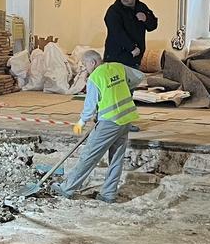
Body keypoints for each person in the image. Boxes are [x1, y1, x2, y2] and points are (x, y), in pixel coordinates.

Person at [53, 59, 145, 203]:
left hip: (109, 121)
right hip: (126, 118)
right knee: (116, 158)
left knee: (89, 155)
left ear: (93, 62)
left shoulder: (95, 77)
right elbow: (139, 76)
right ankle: (108, 193)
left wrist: (81, 123)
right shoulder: (118, 67)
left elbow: (90, 107)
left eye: (84, 64)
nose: (84, 68)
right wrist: (122, 90)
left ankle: (67, 188)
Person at [103, 0, 158, 69]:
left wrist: (146, 19)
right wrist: (132, 48)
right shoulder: (114, 11)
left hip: (134, 59)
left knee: (132, 83)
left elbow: (153, 25)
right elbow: (117, 32)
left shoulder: (141, 7)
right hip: (115, 58)